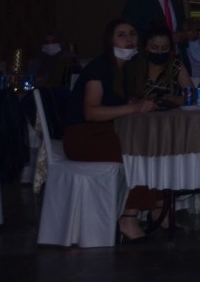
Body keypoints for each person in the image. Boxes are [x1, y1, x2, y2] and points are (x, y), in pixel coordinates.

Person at [62, 18, 160, 242]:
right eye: (121, 35)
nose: (129, 39)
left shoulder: (125, 70)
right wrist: (133, 107)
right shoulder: (100, 68)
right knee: (140, 157)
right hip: (83, 137)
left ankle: (156, 210)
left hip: (105, 133)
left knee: (152, 148)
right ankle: (128, 218)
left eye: (132, 34)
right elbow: (91, 112)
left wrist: (135, 103)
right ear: (110, 40)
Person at [124, 26, 193, 105]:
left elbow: (193, 95)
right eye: (154, 48)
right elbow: (122, 99)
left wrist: (174, 100)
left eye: (164, 48)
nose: (159, 52)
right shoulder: (134, 65)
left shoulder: (175, 65)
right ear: (145, 47)